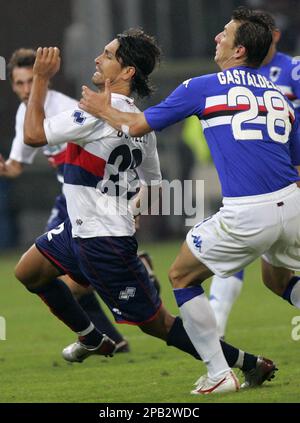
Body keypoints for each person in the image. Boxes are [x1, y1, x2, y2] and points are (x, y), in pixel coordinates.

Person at [14, 29, 276, 395]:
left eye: (107, 54)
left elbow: (33, 135)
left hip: (104, 242)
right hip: (82, 228)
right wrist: (131, 209)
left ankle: (247, 363)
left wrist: (41, 80)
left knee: (160, 325)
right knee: (29, 271)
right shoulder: (140, 124)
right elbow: (153, 183)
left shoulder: (92, 113)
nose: (97, 58)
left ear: (126, 72)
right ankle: (92, 338)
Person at [78, 8, 300, 395]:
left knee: (182, 274)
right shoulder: (280, 99)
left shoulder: (203, 86)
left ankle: (219, 373)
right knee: (276, 277)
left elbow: (135, 126)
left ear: (239, 49)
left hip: (249, 211)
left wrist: (101, 108)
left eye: (224, 34)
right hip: (292, 205)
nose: (217, 37)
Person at [1, 48, 129, 352]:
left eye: (30, 81)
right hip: (68, 198)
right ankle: (112, 339)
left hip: (87, 196)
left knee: (51, 273)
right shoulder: (26, 111)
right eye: (18, 84)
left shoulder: (64, 105)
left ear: (43, 77)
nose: (25, 90)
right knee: (73, 278)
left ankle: (129, 280)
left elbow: (101, 134)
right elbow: (17, 166)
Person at [209, 9, 300, 339]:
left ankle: (213, 334)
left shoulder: (294, 70)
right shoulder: (231, 78)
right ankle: (215, 327)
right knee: (272, 277)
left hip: (287, 182)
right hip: (262, 182)